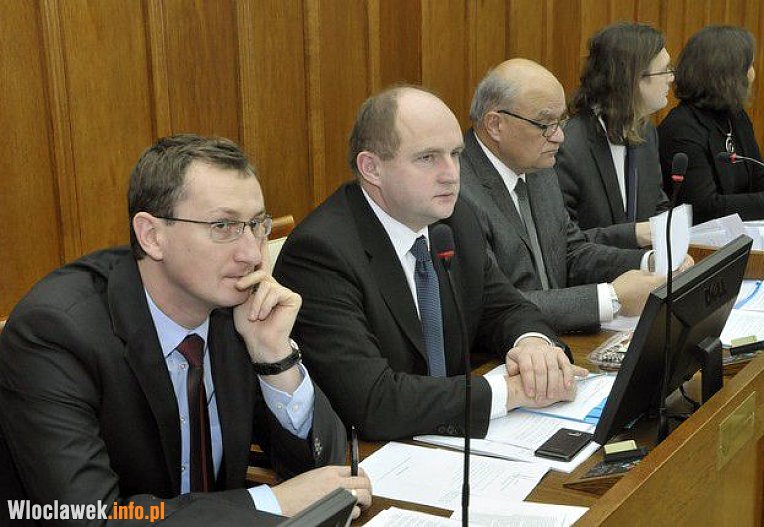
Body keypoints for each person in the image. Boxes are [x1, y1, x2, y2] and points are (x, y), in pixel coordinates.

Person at [0, 135, 371, 526]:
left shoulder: (234, 310)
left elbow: (325, 474)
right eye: (224, 226)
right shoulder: (55, 334)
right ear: (152, 235)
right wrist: (271, 502)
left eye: (256, 225)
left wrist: (274, 355)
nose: (251, 253)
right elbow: (92, 517)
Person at [273, 86, 589, 442]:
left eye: (455, 154)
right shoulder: (320, 254)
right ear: (371, 168)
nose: (451, 174)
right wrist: (512, 392)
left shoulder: (455, 220)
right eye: (427, 158)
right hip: (375, 454)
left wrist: (533, 345)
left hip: (449, 441)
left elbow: (505, 308)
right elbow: (373, 402)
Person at [460, 58, 669, 334]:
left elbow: (571, 252)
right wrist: (611, 298)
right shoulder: (460, 192)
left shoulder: (538, 168)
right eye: (545, 124)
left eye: (560, 121)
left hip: (560, 338)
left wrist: (650, 263)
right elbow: (496, 308)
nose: (559, 136)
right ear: (495, 125)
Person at [556, 23, 672, 249]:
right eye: (665, 70)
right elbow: (562, 243)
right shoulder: (569, 147)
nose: (671, 78)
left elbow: (657, 205)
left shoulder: (646, 132)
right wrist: (632, 235)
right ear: (632, 78)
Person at [658, 25, 764, 224]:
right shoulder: (681, 129)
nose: (753, 75)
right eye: (749, 66)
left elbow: (759, 178)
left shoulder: (736, 116)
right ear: (728, 75)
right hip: (698, 238)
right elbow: (704, 208)